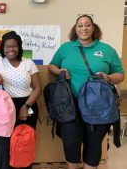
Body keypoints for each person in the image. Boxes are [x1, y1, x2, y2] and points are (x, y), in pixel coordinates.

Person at [48, 14, 125, 169]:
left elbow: (120, 75)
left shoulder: (107, 50)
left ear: (93, 27)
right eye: (80, 25)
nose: (84, 28)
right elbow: (51, 66)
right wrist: (60, 71)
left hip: (98, 105)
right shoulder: (65, 48)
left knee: (94, 143)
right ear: (75, 29)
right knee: (70, 142)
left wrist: (108, 77)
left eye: (88, 24)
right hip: (71, 104)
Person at [0, 31, 42, 169]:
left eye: (14, 46)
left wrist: (26, 106)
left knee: (23, 144)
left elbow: (37, 88)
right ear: (2, 48)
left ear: (19, 47)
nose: (11, 49)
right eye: (7, 46)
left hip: (27, 104)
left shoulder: (28, 63)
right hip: (3, 108)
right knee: (4, 146)